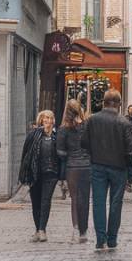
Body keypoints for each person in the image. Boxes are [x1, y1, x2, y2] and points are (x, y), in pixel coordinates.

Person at [81, 89, 132, 251]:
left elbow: (84, 143)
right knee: (116, 204)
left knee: (98, 202)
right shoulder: (124, 122)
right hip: (119, 167)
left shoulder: (92, 120)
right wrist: (128, 171)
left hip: (98, 165)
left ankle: (100, 238)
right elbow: (130, 149)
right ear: (119, 103)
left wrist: (94, 153)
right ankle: (112, 239)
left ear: (103, 102)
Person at [18, 110, 59, 241]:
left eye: (49, 118)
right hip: (35, 172)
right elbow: (26, 154)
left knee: (46, 201)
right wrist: (25, 172)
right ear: (41, 120)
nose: (47, 120)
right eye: (45, 118)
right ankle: (37, 230)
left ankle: (42, 230)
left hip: (51, 173)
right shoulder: (33, 135)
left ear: (53, 120)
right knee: (36, 202)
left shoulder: (57, 135)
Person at [56, 100, 90, 243]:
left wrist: (69, 154)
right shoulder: (87, 126)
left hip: (72, 166)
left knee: (75, 199)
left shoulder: (63, 129)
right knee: (85, 199)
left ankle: (76, 228)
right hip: (87, 165)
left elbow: (60, 151)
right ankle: (84, 231)